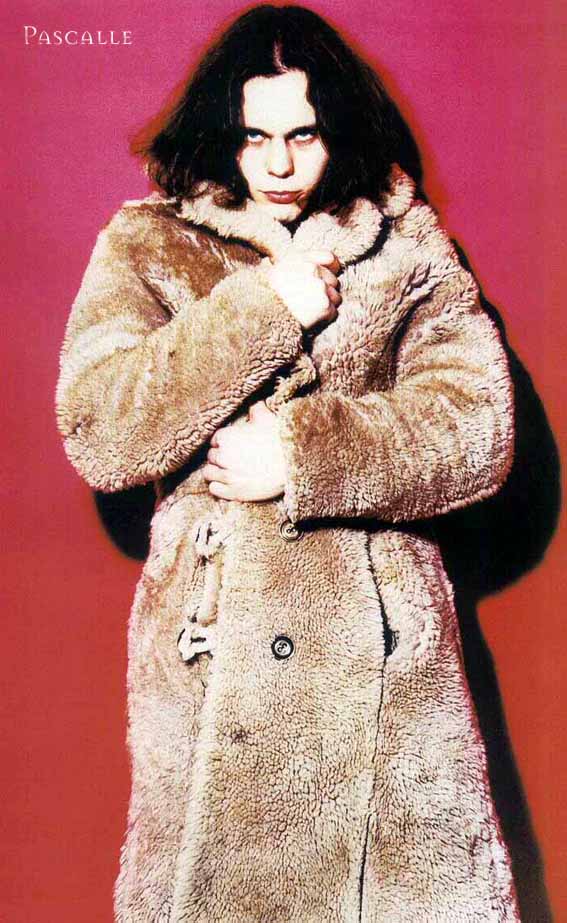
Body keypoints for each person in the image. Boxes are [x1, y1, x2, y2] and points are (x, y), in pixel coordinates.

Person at [55, 4, 521, 920]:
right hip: (214, 656)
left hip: (381, 666)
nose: (277, 165)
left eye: (302, 135)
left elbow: (478, 426)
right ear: (220, 133)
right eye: (254, 137)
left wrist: (306, 453)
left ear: (336, 130)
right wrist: (263, 310)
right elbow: (99, 431)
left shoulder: (405, 244)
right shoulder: (149, 242)